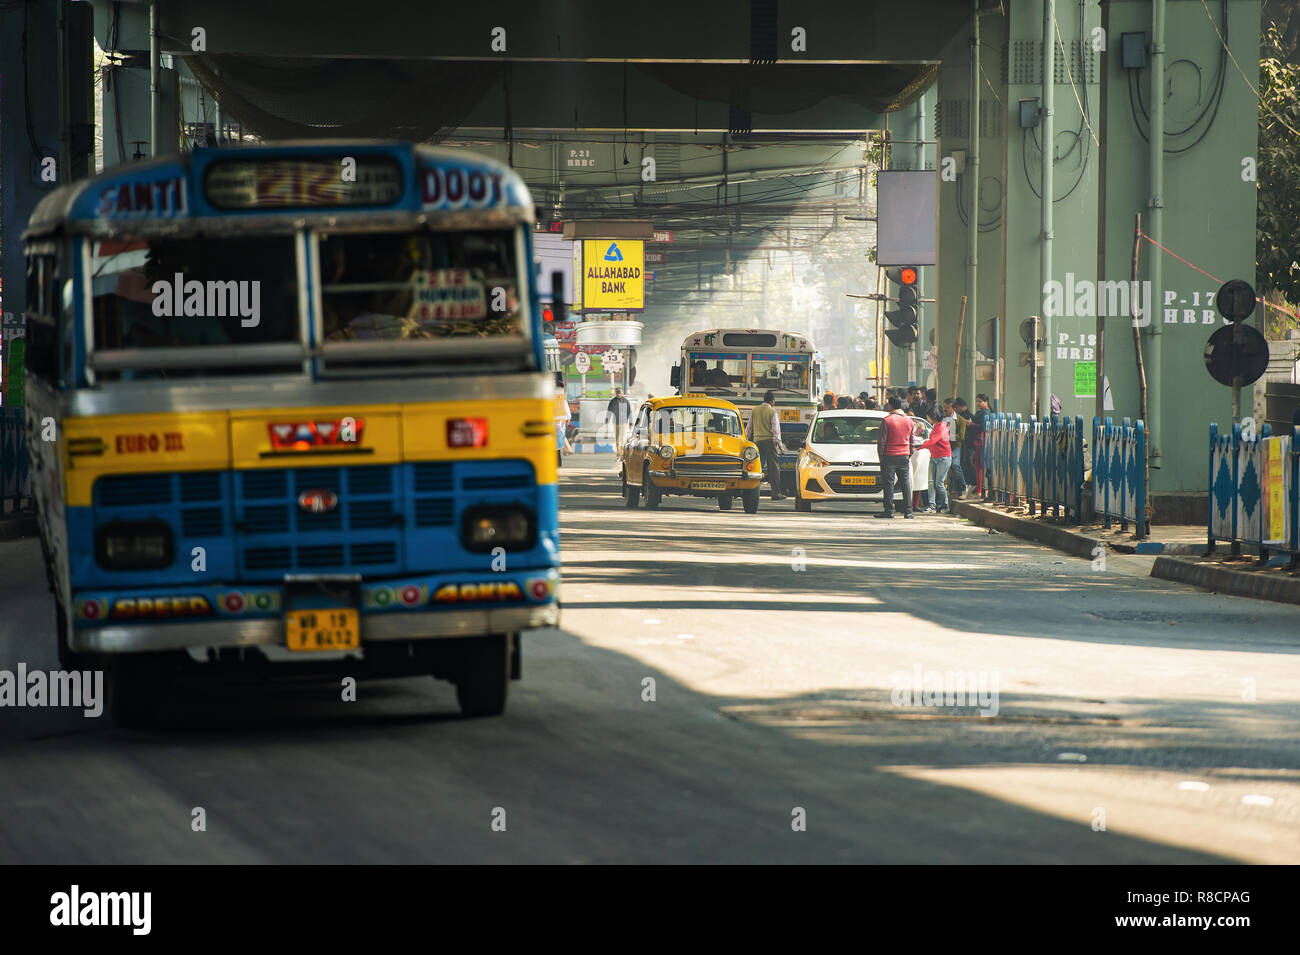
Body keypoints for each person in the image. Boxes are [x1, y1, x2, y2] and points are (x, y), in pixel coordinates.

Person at [875, 396, 914, 519]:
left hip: (889, 456)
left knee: (889, 484)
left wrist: (881, 457)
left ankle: (889, 510)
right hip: (904, 456)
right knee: (905, 483)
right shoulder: (909, 421)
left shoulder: (887, 420)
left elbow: (882, 441)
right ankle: (908, 511)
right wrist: (909, 453)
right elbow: (912, 441)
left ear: (890, 406)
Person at [748, 390, 786, 501]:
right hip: (769, 442)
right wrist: (780, 446)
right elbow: (776, 430)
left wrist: (746, 441)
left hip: (757, 441)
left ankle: (751, 492)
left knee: (754, 467)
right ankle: (776, 493)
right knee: (773, 468)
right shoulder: (772, 411)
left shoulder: (754, 410)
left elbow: (749, 427)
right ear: (772, 401)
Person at [918, 408, 953, 513]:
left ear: (933, 417)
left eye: (928, 417)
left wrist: (919, 447)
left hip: (943, 458)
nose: (927, 419)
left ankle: (945, 505)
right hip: (934, 456)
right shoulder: (936, 426)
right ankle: (931, 505)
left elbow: (932, 441)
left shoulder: (941, 427)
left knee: (939, 483)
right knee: (931, 482)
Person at [942, 399, 967, 498]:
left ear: (954, 408)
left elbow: (961, 436)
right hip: (945, 446)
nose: (945, 410)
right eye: (944, 407)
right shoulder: (944, 419)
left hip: (956, 446)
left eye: (947, 408)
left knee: (956, 465)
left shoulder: (961, 420)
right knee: (949, 468)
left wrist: (949, 436)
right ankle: (953, 489)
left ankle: (963, 489)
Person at [971, 393, 990, 495]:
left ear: (986, 401)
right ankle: (980, 489)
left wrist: (971, 424)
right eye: (977, 401)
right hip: (978, 441)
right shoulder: (982, 412)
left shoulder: (985, 413)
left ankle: (980, 490)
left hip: (981, 442)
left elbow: (983, 426)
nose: (978, 403)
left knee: (980, 467)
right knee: (978, 466)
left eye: (980, 401)